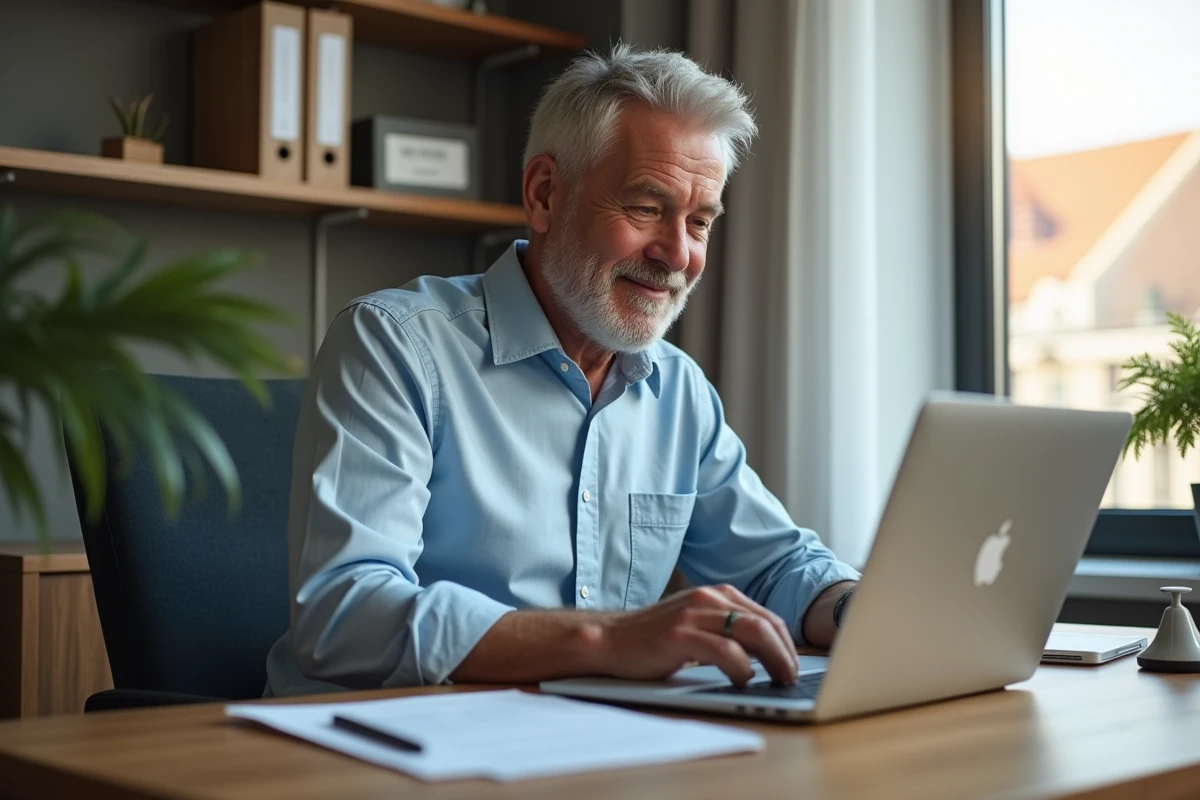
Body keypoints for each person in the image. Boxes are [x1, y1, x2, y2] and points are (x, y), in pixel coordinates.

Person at [264, 44, 859, 698]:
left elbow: (776, 567)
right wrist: (607, 640)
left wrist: (860, 609)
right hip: (373, 752)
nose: (678, 255)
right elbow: (343, 617)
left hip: (585, 747)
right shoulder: (395, 345)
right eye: (646, 208)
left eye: (699, 221)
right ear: (545, 194)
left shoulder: (677, 390)